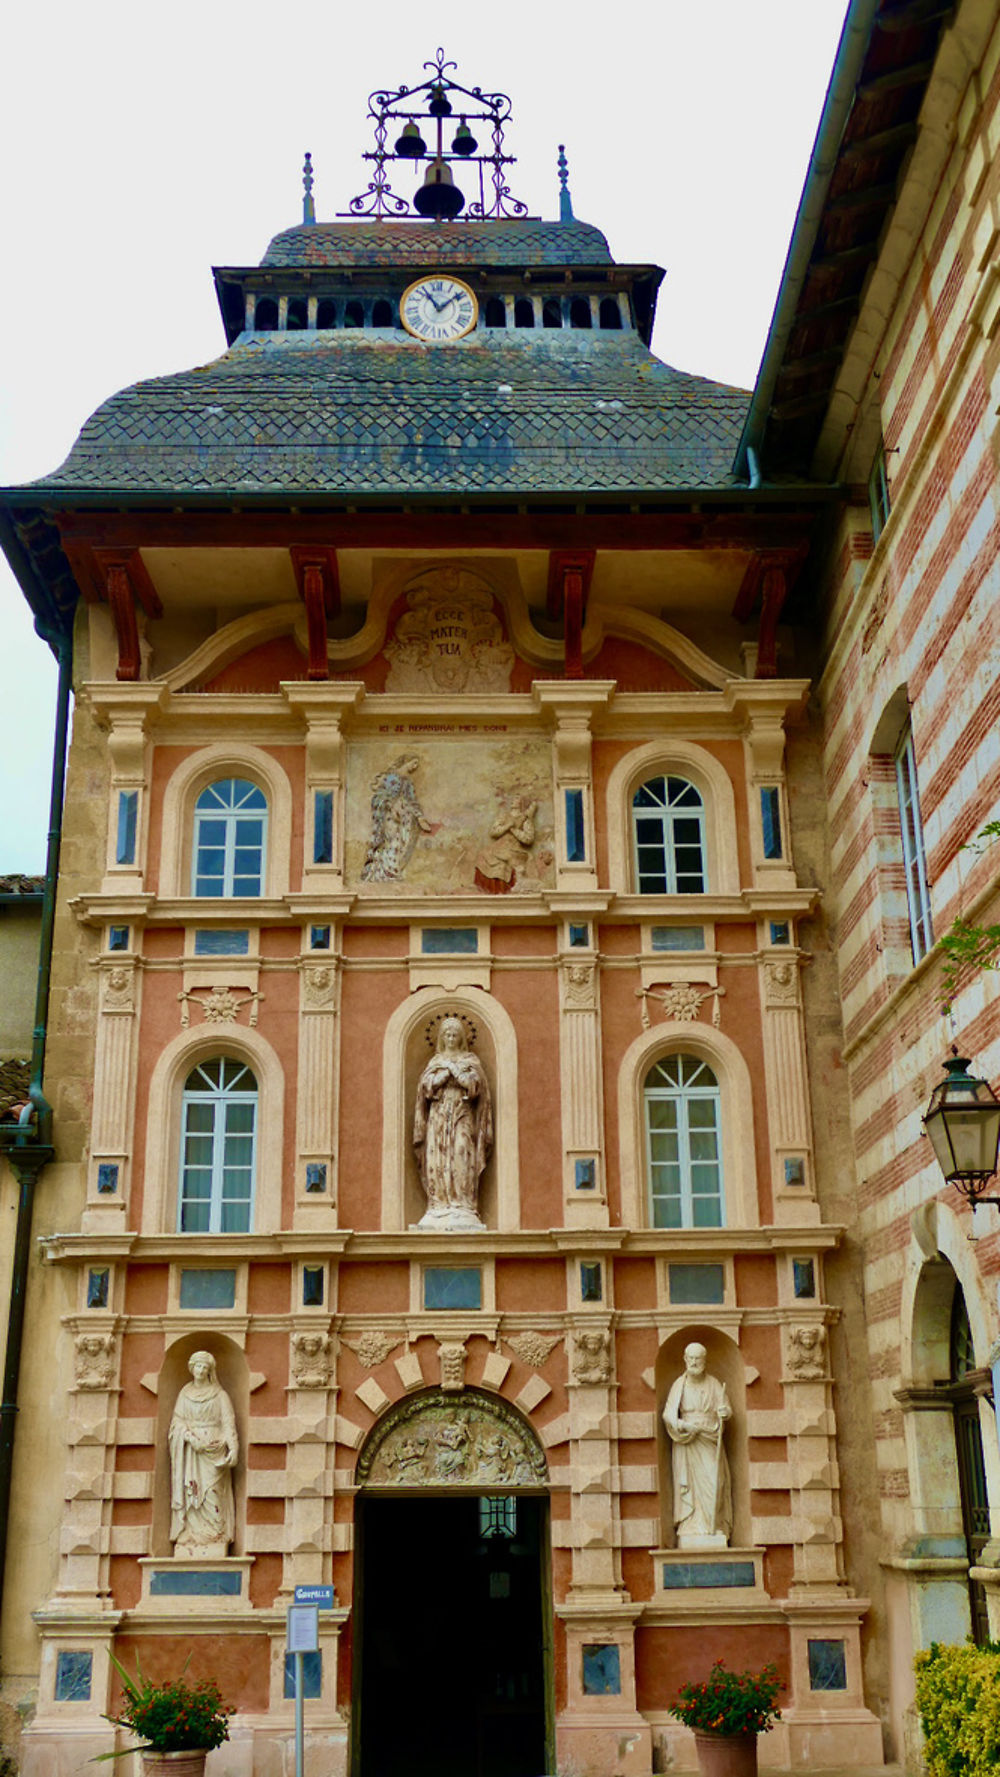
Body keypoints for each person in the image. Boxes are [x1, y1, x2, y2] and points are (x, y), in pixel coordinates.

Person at [413, 1017, 493, 1230]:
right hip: (438, 1117)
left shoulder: (470, 1060)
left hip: (462, 1115)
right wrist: (445, 1073)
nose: (450, 1038)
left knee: (460, 1152)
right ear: (441, 1038)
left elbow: (474, 1086)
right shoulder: (435, 1063)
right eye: (447, 1035)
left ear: (461, 1038)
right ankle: (439, 1204)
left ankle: (463, 1203)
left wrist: (453, 1071)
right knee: (438, 1157)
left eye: (454, 1035)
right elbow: (426, 1088)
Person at [168, 1350, 238, 1556]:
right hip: (191, 1451)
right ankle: (191, 1533)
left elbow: (228, 1423)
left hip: (214, 1449)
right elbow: (177, 1423)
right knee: (191, 1492)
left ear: (209, 1371)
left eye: (204, 1367)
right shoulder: (184, 1394)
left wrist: (233, 1448)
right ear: (192, 1368)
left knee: (212, 1493)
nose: (200, 1370)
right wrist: (190, 1438)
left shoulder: (220, 1395)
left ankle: (215, 1534)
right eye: (197, 1366)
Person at [662, 1342, 732, 1546]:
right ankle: (691, 1525)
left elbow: (726, 1408)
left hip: (709, 1436)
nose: (694, 1362)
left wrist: (724, 1413)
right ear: (685, 1359)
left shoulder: (714, 1383)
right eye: (690, 1358)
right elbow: (668, 1415)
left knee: (714, 1481)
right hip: (687, 1440)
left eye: (698, 1358)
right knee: (690, 1484)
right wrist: (683, 1425)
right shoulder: (679, 1385)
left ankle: (714, 1524)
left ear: (704, 1360)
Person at [361, 755, 435, 881]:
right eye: (414, 763)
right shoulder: (390, 778)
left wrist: (420, 817)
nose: (415, 766)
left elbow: (412, 801)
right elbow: (379, 797)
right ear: (406, 762)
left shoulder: (408, 782)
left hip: (403, 819)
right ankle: (383, 872)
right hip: (389, 817)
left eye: (417, 764)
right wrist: (389, 806)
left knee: (400, 844)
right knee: (390, 843)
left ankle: (393, 871)